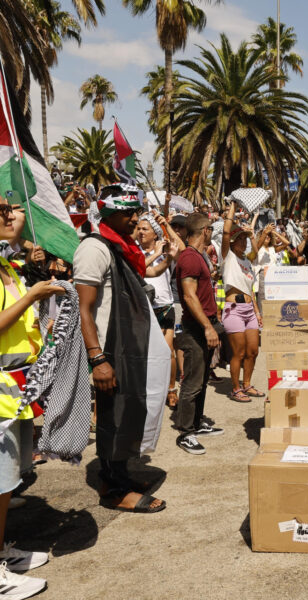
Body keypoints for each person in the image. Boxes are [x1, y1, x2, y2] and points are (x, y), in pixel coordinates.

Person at [74, 184, 169, 512]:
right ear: (110, 213)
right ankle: (114, 491)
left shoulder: (121, 247)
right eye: (128, 213)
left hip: (129, 346)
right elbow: (82, 308)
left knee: (128, 412)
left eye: (136, 212)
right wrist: (97, 359)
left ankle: (119, 474)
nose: (134, 219)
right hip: (109, 350)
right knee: (113, 418)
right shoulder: (94, 248)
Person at [0, 199, 62, 595]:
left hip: (15, 393)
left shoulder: (7, 266)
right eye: (1, 210)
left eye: (11, 208)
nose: (9, 215)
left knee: (7, 484)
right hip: (2, 394)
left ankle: (3, 553)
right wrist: (32, 296)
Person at [174, 212, 224, 455]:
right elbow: (188, 296)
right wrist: (207, 326)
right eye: (211, 227)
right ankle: (185, 432)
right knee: (192, 381)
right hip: (196, 329)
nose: (212, 231)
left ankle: (196, 423)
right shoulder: (190, 258)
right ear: (205, 230)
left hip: (204, 324)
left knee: (202, 378)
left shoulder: (196, 256)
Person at [135, 213, 184, 408]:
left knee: (166, 351)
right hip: (141, 307)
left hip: (163, 306)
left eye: (145, 229)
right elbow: (136, 268)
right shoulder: (135, 252)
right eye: (138, 228)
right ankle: (147, 390)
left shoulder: (165, 250)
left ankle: (171, 389)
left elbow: (182, 250)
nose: (140, 232)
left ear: (155, 234)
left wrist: (165, 224)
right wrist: (153, 254)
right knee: (143, 353)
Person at [220, 202, 263, 403]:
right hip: (234, 309)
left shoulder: (246, 260)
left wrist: (252, 235)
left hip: (249, 308)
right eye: (242, 240)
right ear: (234, 241)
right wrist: (232, 208)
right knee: (238, 352)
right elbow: (226, 234)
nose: (244, 244)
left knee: (253, 350)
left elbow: (256, 253)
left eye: (246, 240)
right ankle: (236, 388)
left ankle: (248, 384)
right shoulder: (227, 257)